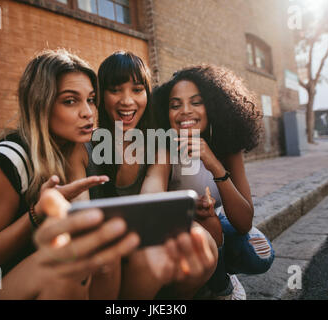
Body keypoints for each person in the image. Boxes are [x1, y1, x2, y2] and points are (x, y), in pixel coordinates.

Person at [0, 49, 140, 300]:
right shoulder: (9, 160)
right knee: (67, 267)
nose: (88, 112)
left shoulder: (83, 146)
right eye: (70, 101)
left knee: (103, 255)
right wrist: (36, 213)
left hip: (54, 282)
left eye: (91, 99)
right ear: (40, 104)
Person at [68, 51, 219, 299]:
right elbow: (80, 212)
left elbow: (151, 199)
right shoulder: (82, 147)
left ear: (147, 95)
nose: (127, 101)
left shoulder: (157, 146)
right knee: (145, 255)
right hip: (101, 246)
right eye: (116, 89)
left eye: (137, 90)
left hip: (144, 232)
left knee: (202, 243)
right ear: (100, 96)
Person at [153, 64, 275, 299]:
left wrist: (214, 164)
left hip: (217, 221)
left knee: (258, 254)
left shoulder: (227, 146)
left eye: (196, 102)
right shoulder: (164, 148)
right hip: (181, 227)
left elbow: (244, 222)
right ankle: (221, 287)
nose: (185, 111)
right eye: (175, 105)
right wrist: (189, 209)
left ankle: (219, 273)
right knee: (209, 223)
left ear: (212, 107)